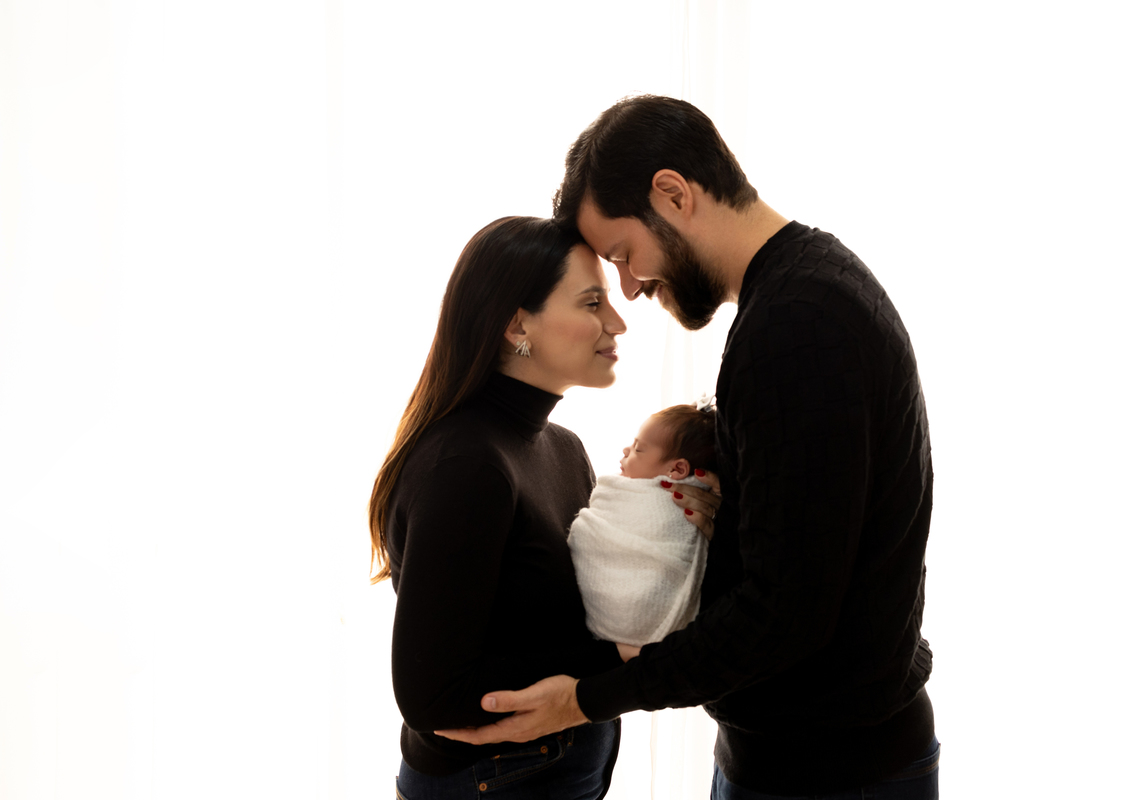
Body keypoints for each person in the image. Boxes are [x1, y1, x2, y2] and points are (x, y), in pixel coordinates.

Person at [437, 97, 939, 799]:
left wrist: (586, 699)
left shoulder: (795, 325)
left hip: (827, 774)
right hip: (806, 758)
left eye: (623, 256)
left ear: (673, 194)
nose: (632, 288)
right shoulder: (811, 289)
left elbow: (783, 616)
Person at [367, 216, 712, 799]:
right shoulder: (468, 467)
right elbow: (432, 696)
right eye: (592, 302)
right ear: (516, 324)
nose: (618, 321)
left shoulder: (564, 449)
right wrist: (618, 660)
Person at [569, 403, 717, 646]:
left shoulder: (691, 503)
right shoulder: (624, 494)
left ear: (677, 469)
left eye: (638, 449)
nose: (626, 449)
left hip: (639, 618)